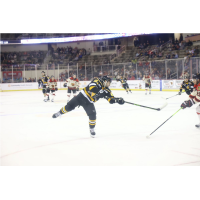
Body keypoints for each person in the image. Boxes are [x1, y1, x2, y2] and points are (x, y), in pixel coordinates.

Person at [52, 76, 125, 137]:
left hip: (89, 102)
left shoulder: (107, 91)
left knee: (93, 115)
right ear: (105, 81)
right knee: (69, 106)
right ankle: (59, 113)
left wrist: (118, 100)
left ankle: (92, 129)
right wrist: (98, 94)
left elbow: (111, 100)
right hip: (81, 97)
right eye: (109, 82)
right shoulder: (98, 80)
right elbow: (92, 87)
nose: (110, 84)